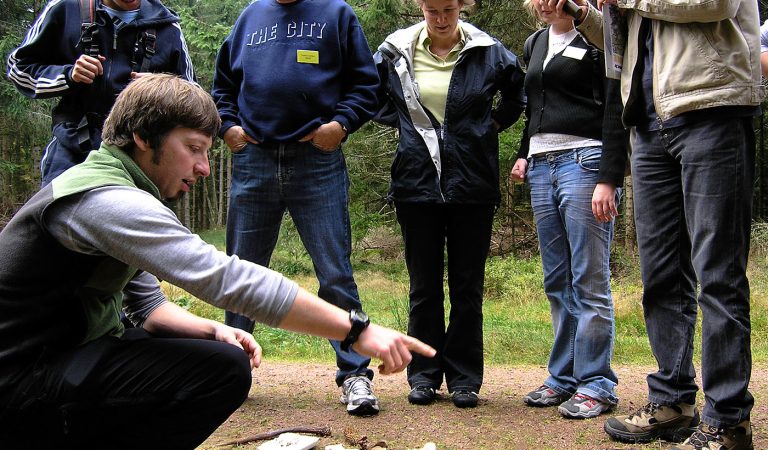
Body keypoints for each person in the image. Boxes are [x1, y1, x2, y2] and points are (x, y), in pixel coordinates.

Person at [0, 74, 434, 449]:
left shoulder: (116, 188)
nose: (204, 168)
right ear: (142, 136)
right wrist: (357, 329)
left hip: (57, 361)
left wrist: (212, 329)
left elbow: (148, 307)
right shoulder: (106, 202)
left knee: (219, 358)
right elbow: (226, 278)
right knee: (218, 373)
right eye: (193, 148)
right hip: (20, 381)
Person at [569, 0, 763, 447]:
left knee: (718, 274)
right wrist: (583, 16)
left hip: (710, 106)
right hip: (650, 121)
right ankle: (674, 401)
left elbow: (717, 5)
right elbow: (627, 39)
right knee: (661, 275)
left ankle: (729, 420)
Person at [210, 0, 381, 416]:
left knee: (334, 272)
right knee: (240, 271)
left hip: (316, 159)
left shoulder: (336, 14)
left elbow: (366, 86)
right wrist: (227, 125)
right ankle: (230, 376)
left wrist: (340, 126)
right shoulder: (250, 17)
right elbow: (222, 87)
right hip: (254, 159)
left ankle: (355, 375)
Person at [373, 0, 525, 408]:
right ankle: (423, 374)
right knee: (423, 287)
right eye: (432, 10)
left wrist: (488, 126)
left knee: (466, 286)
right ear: (420, 8)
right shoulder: (396, 49)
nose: (440, 19)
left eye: (448, 10)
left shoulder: (488, 50)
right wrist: (405, 123)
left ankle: (463, 379)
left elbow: (518, 93)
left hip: (473, 185)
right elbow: (368, 94)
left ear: (462, 6)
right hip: (415, 185)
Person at [509, 0, 628, 420]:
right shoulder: (536, 43)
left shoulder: (598, 38)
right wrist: (525, 153)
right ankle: (563, 377)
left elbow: (617, 106)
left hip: (586, 163)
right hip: (542, 167)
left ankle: (597, 382)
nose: (542, 4)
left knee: (589, 279)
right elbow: (534, 108)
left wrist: (610, 177)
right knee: (557, 279)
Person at [7, 0, 194, 186]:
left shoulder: (167, 26)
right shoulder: (65, 8)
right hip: (72, 147)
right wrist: (69, 75)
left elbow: (193, 100)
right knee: (56, 211)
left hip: (137, 157)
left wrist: (160, 88)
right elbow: (19, 69)